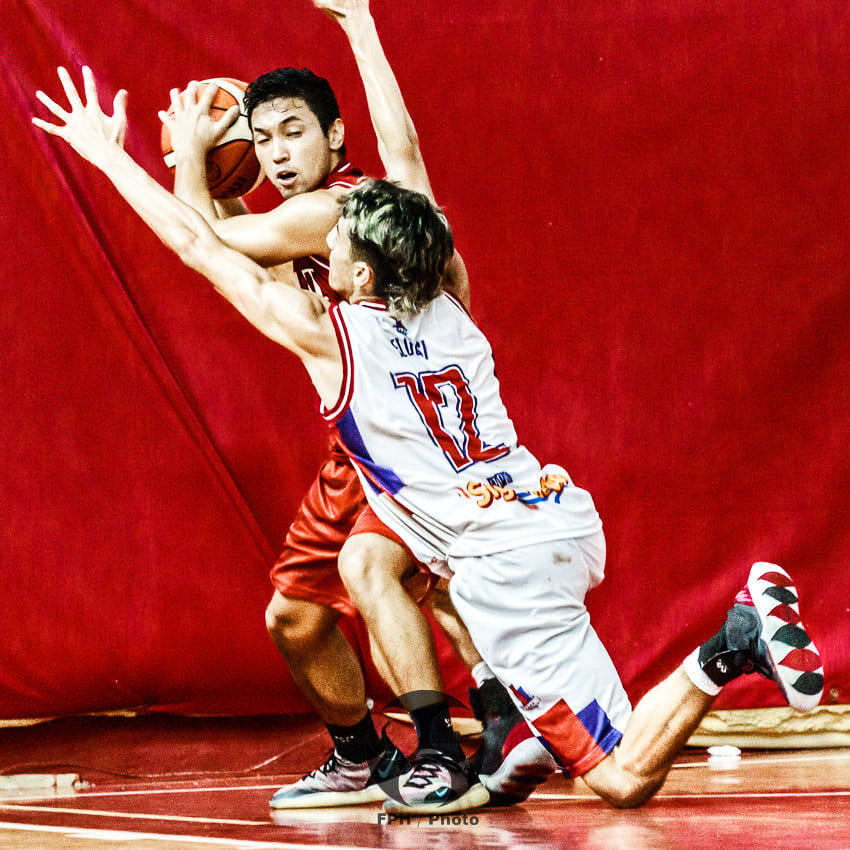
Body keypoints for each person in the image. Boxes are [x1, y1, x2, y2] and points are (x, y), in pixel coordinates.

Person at [34, 62, 824, 816]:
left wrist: (110, 156)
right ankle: (568, 700)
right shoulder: (455, 303)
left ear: (365, 274)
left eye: (339, 247)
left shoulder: (330, 339)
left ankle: (723, 642)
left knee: (616, 783)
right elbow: (408, 172)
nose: (326, 250)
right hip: (549, 515)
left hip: (501, 567)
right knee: (373, 563)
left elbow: (200, 247)